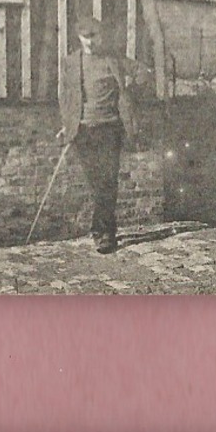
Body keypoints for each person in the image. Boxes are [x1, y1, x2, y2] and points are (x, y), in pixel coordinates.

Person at [58, 15, 143, 254]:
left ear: (101, 36)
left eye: (94, 36)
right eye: (86, 37)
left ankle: (104, 234)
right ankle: (101, 227)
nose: (91, 42)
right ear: (79, 37)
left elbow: (142, 72)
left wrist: (128, 90)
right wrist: (67, 123)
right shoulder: (70, 63)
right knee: (97, 183)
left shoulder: (112, 59)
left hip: (110, 128)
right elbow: (65, 97)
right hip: (83, 130)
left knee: (108, 181)